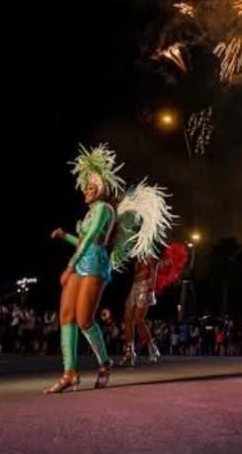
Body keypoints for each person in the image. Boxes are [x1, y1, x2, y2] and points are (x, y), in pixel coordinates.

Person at [45, 144, 174, 393]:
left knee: (84, 320)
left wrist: (70, 265)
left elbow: (94, 238)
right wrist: (65, 236)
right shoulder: (90, 212)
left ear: (101, 189)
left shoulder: (104, 209)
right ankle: (69, 372)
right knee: (66, 317)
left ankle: (105, 364)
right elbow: (83, 240)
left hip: (95, 265)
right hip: (81, 261)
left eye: (91, 187)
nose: (86, 190)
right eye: (85, 187)